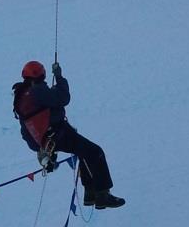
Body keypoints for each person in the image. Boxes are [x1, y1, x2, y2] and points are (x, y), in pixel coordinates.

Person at [12, 60, 125, 209]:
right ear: (42, 75)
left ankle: (90, 194)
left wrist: (40, 148)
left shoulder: (21, 96)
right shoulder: (38, 91)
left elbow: (25, 129)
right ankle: (102, 195)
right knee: (95, 152)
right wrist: (59, 77)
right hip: (59, 134)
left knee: (84, 152)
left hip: (49, 139)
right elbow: (63, 98)